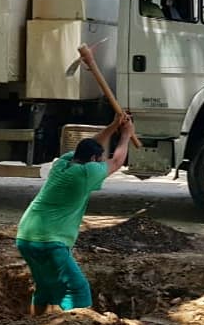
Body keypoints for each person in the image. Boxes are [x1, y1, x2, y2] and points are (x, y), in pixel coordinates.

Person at [16, 113, 135, 314]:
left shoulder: (62, 164)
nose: (100, 162)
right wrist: (126, 135)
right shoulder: (86, 173)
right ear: (92, 160)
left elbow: (90, 144)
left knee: (45, 287)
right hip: (50, 241)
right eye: (98, 159)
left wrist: (113, 125)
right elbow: (116, 162)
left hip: (26, 236)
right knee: (78, 290)